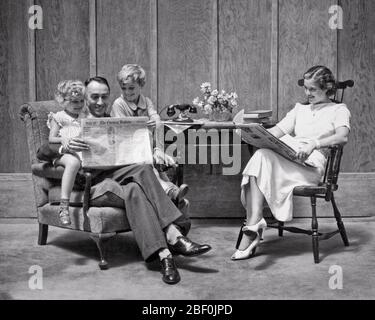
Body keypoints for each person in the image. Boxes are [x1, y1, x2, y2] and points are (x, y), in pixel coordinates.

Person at [37, 76, 211, 284]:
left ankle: (165, 256)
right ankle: (174, 233)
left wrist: (150, 144)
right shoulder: (72, 118)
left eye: (104, 97)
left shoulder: (113, 119)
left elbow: (133, 150)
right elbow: (43, 151)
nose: (100, 102)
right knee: (138, 178)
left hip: (119, 174)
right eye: (94, 97)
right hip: (93, 181)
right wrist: (65, 146)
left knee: (136, 186)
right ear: (85, 97)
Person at [231, 65, 351, 260]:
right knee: (262, 153)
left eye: (313, 89)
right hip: (291, 159)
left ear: (327, 88)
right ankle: (254, 222)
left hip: (311, 167)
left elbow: (342, 137)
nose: (307, 93)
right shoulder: (299, 109)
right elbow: (276, 132)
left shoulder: (338, 110)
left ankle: (252, 227)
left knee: (262, 158)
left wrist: (314, 143)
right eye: (305, 88)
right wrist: (249, 134)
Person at [111, 64, 189, 204]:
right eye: (124, 88)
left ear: (140, 85)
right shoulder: (119, 104)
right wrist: (142, 125)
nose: (127, 92)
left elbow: (156, 120)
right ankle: (170, 191)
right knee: (150, 167)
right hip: (127, 151)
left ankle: (173, 193)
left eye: (131, 88)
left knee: (157, 162)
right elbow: (122, 129)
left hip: (145, 148)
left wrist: (157, 147)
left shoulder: (146, 101)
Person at [47, 80, 86, 226]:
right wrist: (63, 138)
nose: (79, 104)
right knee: (73, 162)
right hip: (62, 153)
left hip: (80, 151)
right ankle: (64, 207)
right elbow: (51, 139)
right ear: (63, 101)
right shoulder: (59, 117)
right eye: (74, 101)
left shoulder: (84, 116)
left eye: (81, 101)